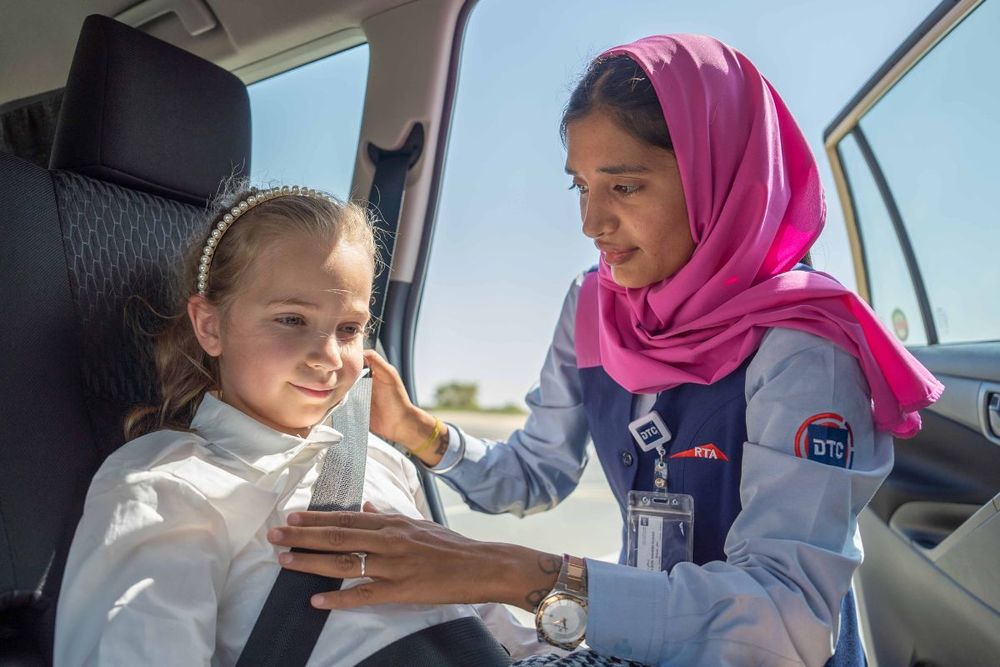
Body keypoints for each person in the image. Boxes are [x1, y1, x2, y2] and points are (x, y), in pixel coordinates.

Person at [265, 35, 944, 666]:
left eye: (625, 185)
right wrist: (416, 429)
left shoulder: (804, 348)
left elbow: (784, 621)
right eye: (580, 187)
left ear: (719, 178)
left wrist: (507, 571)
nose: (591, 223)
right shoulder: (594, 306)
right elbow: (537, 472)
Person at [53, 185, 548, 665]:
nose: (329, 357)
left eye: (349, 329)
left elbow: (495, 628)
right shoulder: (168, 483)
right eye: (291, 319)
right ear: (210, 325)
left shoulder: (385, 462)